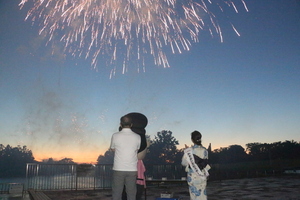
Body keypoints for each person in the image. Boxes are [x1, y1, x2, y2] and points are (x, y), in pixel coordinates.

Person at [110, 114, 141, 200]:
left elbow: (112, 149)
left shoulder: (115, 135)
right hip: (132, 169)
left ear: (120, 124)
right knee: (131, 194)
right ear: (131, 124)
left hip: (118, 168)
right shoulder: (137, 137)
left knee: (117, 193)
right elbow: (136, 149)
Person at [181, 131, 211, 200]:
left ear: (192, 140)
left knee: (194, 196)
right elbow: (205, 162)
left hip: (193, 176)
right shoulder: (205, 150)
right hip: (202, 175)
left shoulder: (189, 151)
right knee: (202, 195)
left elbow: (183, 163)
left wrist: (187, 151)